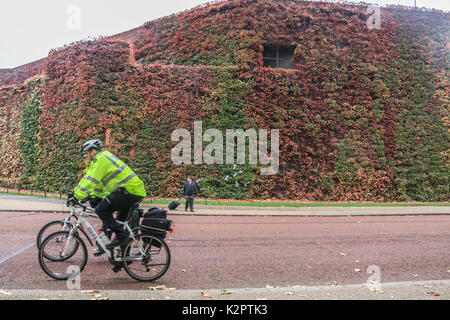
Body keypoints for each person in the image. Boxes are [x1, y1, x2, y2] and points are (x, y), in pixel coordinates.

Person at [67, 139, 147, 256]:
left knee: (101, 210)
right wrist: (78, 193)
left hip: (130, 192)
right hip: (130, 191)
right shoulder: (98, 161)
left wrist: (76, 196)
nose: (85, 155)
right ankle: (123, 259)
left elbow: (91, 181)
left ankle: (122, 237)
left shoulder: (101, 159)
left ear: (93, 151)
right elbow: (92, 183)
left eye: (87, 153)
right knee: (118, 223)